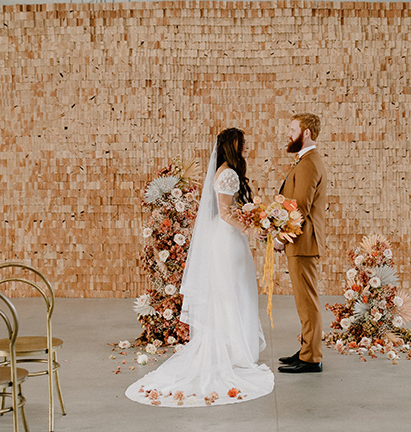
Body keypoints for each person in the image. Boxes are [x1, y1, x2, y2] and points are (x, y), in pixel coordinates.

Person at [126, 128, 274, 407]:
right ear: (233, 146)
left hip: (225, 239)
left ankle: (233, 347)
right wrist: (251, 230)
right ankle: (235, 352)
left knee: (231, 290)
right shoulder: (228, 173)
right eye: (243, 144)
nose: (246, 149)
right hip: (229, 240)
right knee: (234, 290)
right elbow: (227, 212)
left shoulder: (224, 171)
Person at [275, 113, 327, 374]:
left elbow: (301, 208)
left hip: (303, 243)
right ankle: (307, 349)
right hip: (302, 243)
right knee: (303, 301)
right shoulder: (305, 161)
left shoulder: (308, 164)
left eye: (292, 128)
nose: (288, 133)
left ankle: (311, 357)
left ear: (306, 133)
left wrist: (282, 238)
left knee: (307, 301)